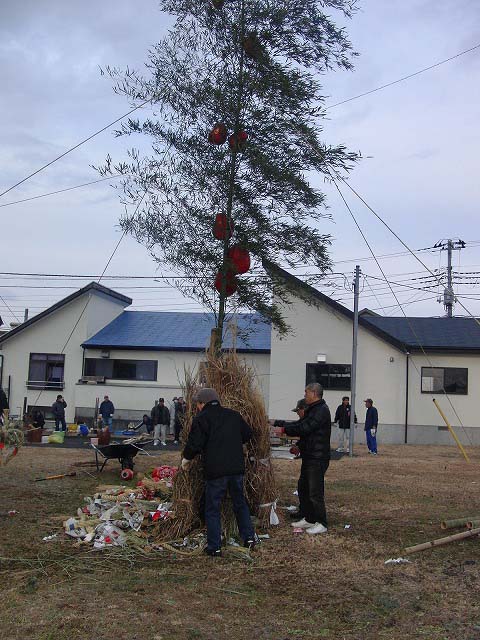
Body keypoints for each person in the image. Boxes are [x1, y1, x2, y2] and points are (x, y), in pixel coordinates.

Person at [181, 387, 255, 557]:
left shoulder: (202, 418)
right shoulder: (234, 415)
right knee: (240, 503)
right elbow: (248, 434)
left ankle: (214, 547)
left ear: (202, 403)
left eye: (198, 404)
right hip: (236, 469)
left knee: (213, 507)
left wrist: (186, 458)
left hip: (216, 471)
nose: (197, 408)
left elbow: (195, 444)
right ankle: (249, 538)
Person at [285, 382, 331, 535]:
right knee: (303, 487)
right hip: (309, 455)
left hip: (318, 457)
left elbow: (305, 428)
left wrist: (284, 430)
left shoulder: (321, 411)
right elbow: (304, 428)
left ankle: (321, 522)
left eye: (306, 392)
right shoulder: (313, 409)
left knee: (315, 491)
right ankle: (309, 518)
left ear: (314, 393)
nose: (304, 395)